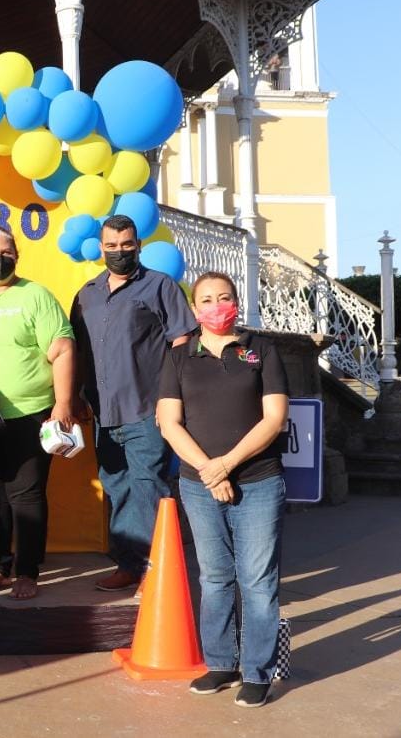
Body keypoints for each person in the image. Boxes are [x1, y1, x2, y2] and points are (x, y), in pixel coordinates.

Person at [156, 272, 289, 708]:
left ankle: (257, 671)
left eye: (225, 297)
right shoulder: (179, 357)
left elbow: (275, 418)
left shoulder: (261, 350)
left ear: (236, 301)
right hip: (199, 486)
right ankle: (221, 663)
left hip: (258, 481)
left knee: (257, 581)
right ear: (195, 310)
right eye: (208, 300)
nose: (217, 306)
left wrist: (226, 465)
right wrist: (209, 472)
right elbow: (169, 422)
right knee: (214, 577)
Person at [70, 215, 196, 593]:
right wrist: (75, 396)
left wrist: (170, 397)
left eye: (126, 245)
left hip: (146, 408)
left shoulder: (160, 286)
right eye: (111, 246)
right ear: (101, 248)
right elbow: (77, 351)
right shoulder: (86, 294)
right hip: (102, 412)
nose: (119, 252)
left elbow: (182, 341)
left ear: (138, 245)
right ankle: (128, 565)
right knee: (118, 488)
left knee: (147, 488)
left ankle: (157, 574)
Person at [0, 228, 77, 601]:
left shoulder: (36, 295)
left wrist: (63, 403)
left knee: (26, 494)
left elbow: (62, 348)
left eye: (6, 251)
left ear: (17, 256)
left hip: (32, 412)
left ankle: (27, 571)